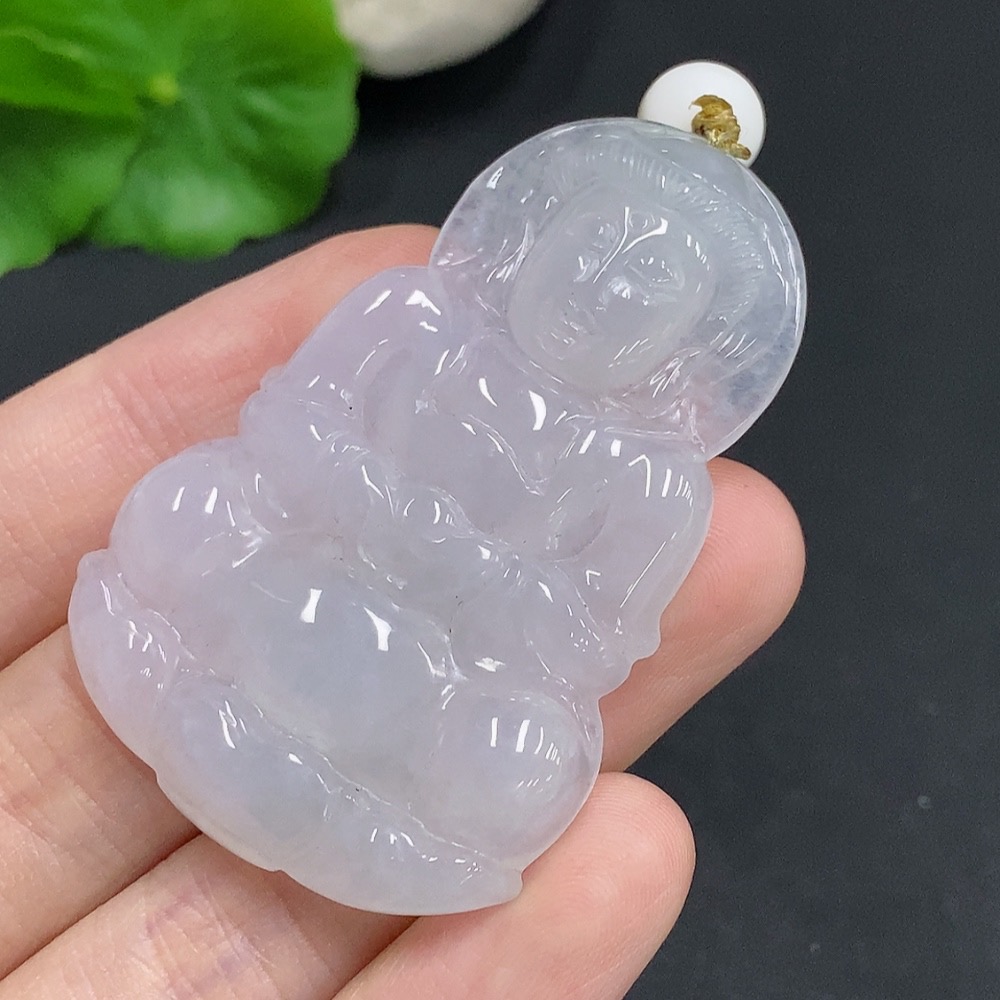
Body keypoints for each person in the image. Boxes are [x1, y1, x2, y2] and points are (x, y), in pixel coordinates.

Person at [0, 226, 804, 998]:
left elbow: (591, 639)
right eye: (590, 245)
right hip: (290, 574)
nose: (599, 288)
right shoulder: (412, 314)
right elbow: (284, 422)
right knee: (190, 504)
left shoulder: (655, 478)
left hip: (434, 683)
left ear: (685, 342)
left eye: (648, 278)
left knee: (528, 755)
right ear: (533, 237)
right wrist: (368, 497)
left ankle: (326, 785)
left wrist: (472, 568)